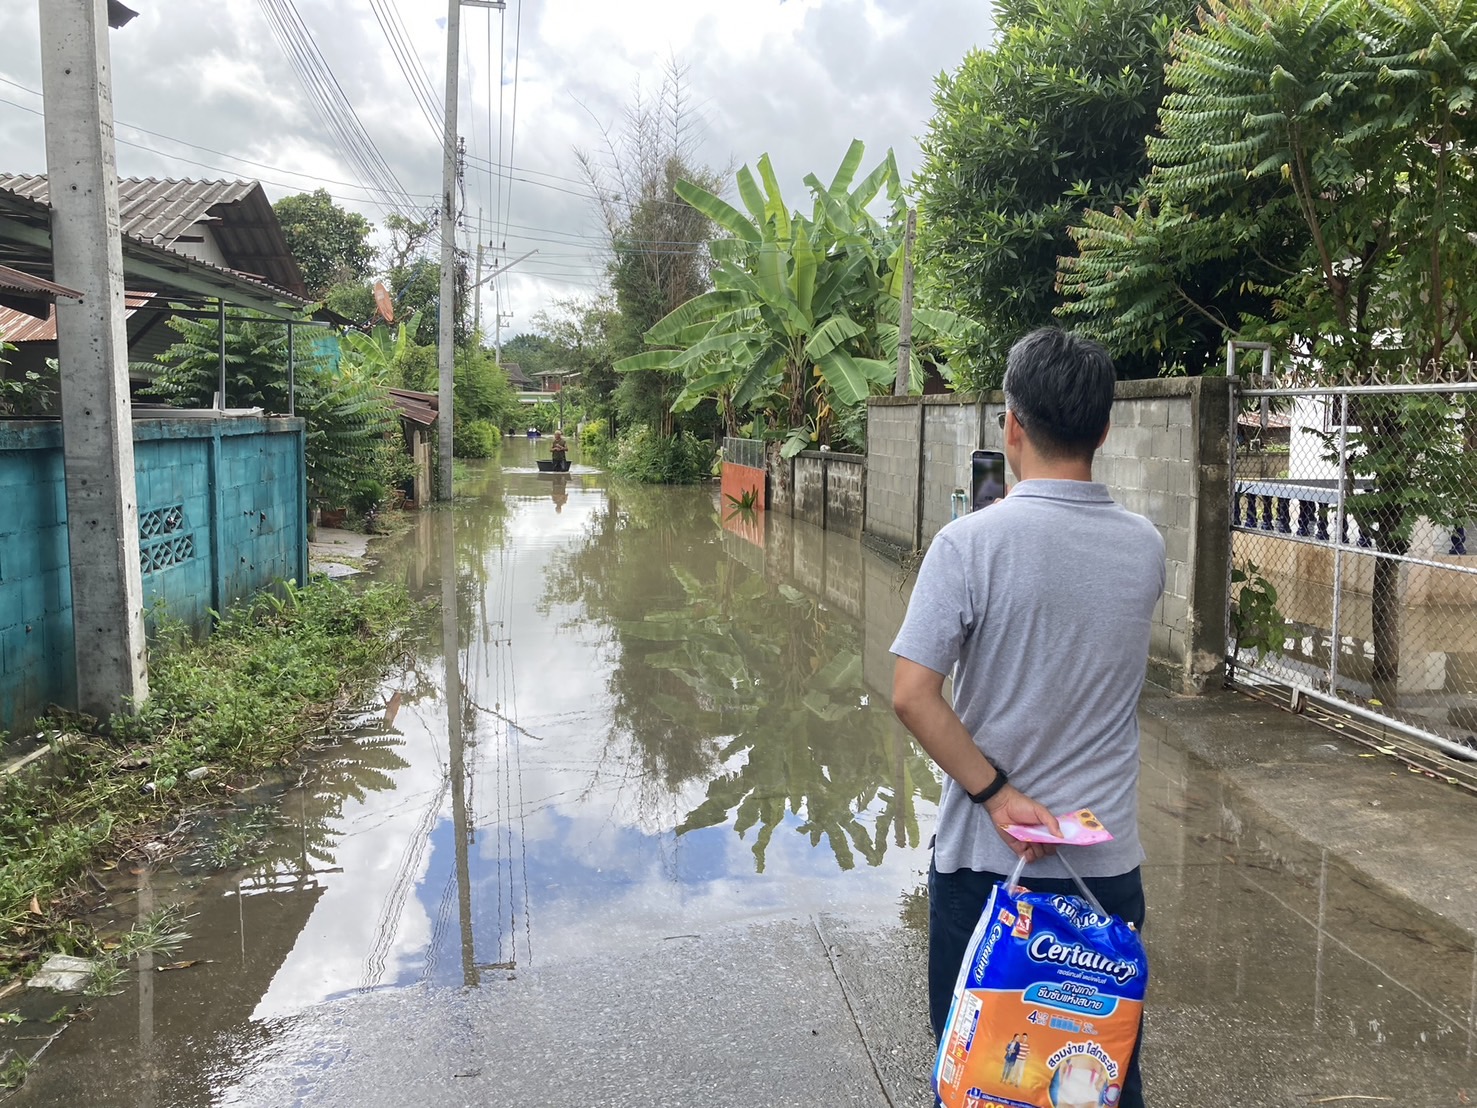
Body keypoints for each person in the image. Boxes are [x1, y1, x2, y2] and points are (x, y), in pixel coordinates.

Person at [890, 327, 1164, 1108]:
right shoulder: (1144, 547)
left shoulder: (967, 545)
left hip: (988, 869)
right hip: (1105, 868)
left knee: (985, 1077)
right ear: (1104, 430)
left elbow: (913, 694)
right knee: (1092, 1078)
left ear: (1010, 425)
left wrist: (995, 794)